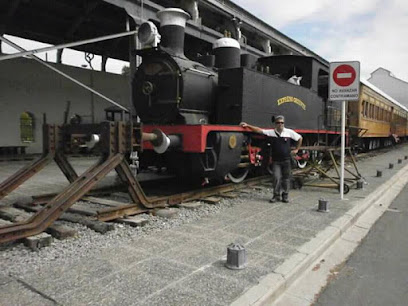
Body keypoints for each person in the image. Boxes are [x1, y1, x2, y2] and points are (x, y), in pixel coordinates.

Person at [240, 115, 303, 203]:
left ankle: (285, 195)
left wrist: (297, 149)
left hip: (287, 160)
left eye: (282, 123)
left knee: (286, 178)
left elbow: (300, 138)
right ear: (275, 124)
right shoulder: (271, 132)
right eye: (278, 123)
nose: (280, 124)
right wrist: (248, 126)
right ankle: (276, 195)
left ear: (284, 123)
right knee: (276, 177)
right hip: (276, 161)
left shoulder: (289, 132)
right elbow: (259, 130)